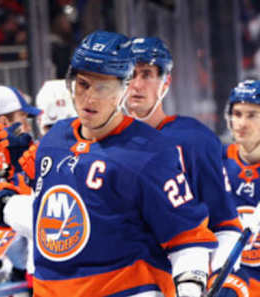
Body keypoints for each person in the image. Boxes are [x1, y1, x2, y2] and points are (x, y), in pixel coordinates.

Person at [21, 30, 217, 297]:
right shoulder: (53, 140)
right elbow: (45, 222)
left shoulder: (150, 151)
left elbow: (186, 236)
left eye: (103, 87)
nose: (89, 98)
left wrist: (190, 287)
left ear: (124, 88)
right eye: (83, 84)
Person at [124, 36, 242, 276]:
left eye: (146, 74)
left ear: (165, 82)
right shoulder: (99, 143)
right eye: (128, 75)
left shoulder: (194, 140)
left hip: (174, 280)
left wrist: (211, 272)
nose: (135, 85)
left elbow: (225, 223)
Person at [222, 80, 260, 297]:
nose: (241, 123)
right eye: (237, 114)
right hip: (228, 283)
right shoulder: (216, 163)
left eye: (251, 115)